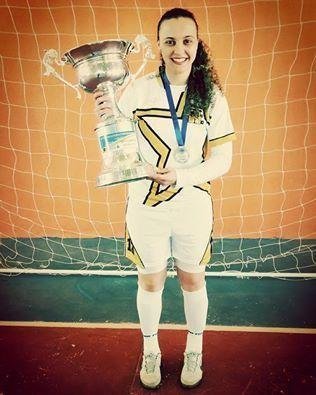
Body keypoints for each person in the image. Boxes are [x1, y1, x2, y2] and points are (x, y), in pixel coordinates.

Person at [94, 7, 235, 389]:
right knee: (151, 282)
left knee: (192, 279)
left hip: (192, 207)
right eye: (170, 41)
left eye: (186, 41)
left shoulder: (213, 97)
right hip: (146, 206)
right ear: (158, 44)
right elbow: (115, 150)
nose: (179, 50)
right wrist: (107, 116)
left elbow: (223, 160)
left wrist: (183, 175)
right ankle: (151, 349)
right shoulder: (137, 89)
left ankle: (195, 348)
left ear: (196, 44)